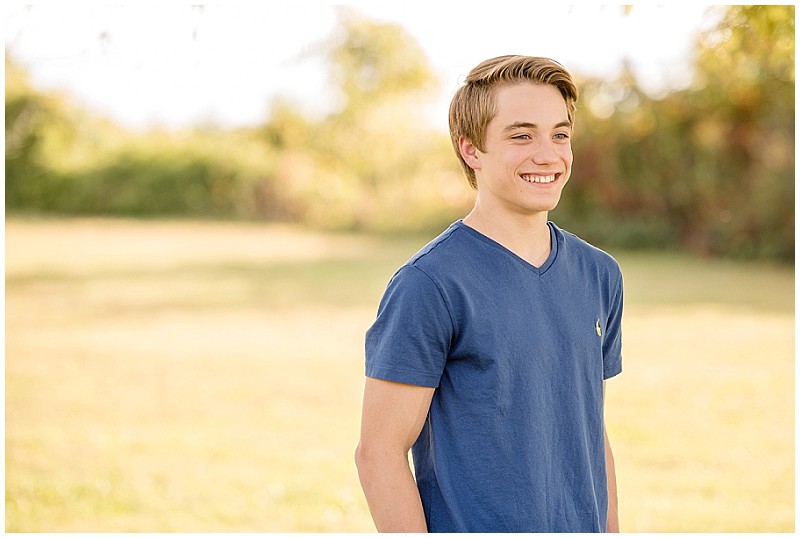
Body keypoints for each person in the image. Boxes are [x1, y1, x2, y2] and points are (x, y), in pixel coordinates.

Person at [355, 55, 623, 533]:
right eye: (521, 135)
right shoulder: (429, 284)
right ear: (471, 149)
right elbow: (379, 453)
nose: (548, 154)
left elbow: (589, 431)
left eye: (560, 134)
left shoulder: (600, 274)